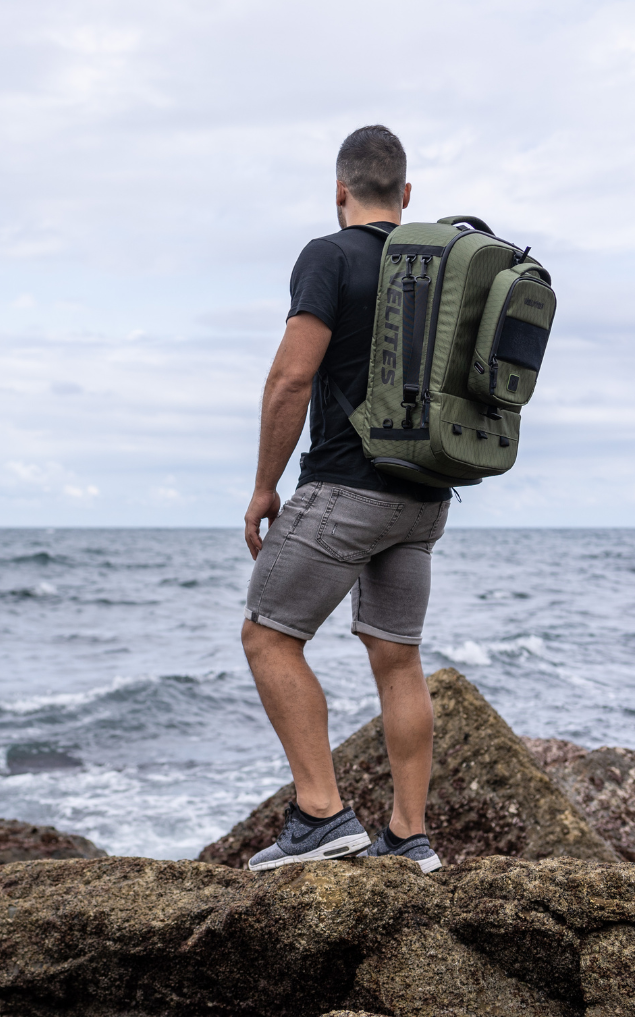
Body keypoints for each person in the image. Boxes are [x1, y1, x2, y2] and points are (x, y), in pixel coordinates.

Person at [241, 125, 449, 873]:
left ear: (339, 192)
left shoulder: (328, 255)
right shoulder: (439, 270)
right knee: (398, 658)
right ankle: (409, 836)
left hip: (345, 487)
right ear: (406, 194)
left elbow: (292, 377)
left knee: (268, 637)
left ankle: (321, 813)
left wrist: (265, 485)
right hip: (425, 497)